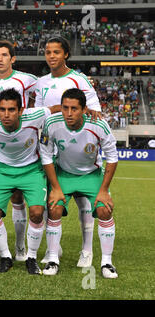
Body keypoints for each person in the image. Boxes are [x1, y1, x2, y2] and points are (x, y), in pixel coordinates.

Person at [0, 88, 59, 274]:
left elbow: (56, 108)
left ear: (21, 110)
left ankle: (31, 257)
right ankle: (5, 256)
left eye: (11, 110)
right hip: (2, 170)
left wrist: (86, 110)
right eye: (2, 109)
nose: (6, 115)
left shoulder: (35, 115)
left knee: (37, 212)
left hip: (31, 170)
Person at [34, 36, 102, 267]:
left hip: (78, 148)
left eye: (56, 52)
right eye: (48, 52)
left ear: (66, 54)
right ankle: (55, 248)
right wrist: (49, 112)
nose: (51, 56)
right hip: (51, 147)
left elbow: (94, 112)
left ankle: (86, 250)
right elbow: (37, 116)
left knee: (84, 204)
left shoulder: (79, 79)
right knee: (48, 202)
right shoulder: (41, 83)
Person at [40, 88, 118, 279]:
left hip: (91, 175)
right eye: (65, 108)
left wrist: (104, 190)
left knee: (104, 209)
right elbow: (45, 155)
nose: (68, 113)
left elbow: (112, 157)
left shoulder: (98, 124)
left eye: (74, 108)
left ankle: (107, 262)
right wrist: (56, 188)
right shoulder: (51, 123)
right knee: (54, 208)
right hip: (63, 174)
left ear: (84, 109)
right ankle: (52, 259)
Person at [0, 40, 39, 262]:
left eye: (4, 55)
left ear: (12, 59)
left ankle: (19, 246)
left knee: (18, 196)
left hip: (21, 139)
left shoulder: (25, 79)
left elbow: (44, 91)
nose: (0, 59)